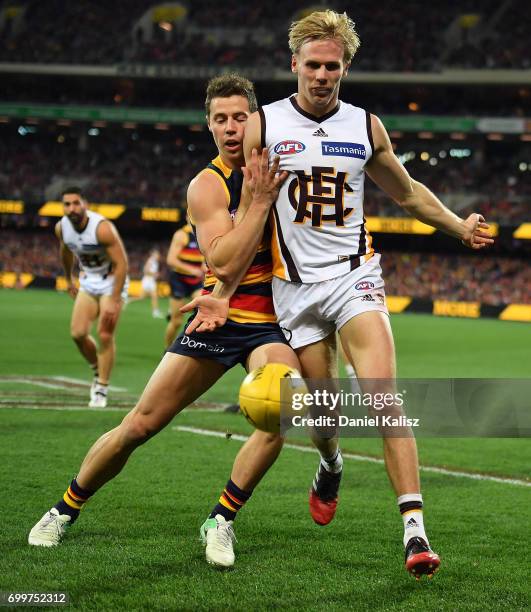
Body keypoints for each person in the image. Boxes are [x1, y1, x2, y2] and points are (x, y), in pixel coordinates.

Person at [186, 10, 494, 579]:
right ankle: (329, 463)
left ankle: (415, 532)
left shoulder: (365, 127)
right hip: (293, 289)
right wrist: (219, 288)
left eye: (333, 65)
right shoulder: (265, 125)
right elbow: (252, 213)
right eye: (313, 64)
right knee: (324, 415)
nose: (322, 74)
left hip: (355, 276)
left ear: (345, 67)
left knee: (383, 398)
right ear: (294, 64)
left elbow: (407, 193)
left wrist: (457, 225)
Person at [28, 75, 299, 570]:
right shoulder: (207, 185)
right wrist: (259, 201)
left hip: (274, 322)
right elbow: (223, 263)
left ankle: (222, 519)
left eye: (241, 116)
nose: (232, 127)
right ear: (209, 125)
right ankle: (64, 507)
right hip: (219, 316)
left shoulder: (291, 166)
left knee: (279, 407)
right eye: (221, 118)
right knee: (140, 425)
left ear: (257, 120)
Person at [55, 187, 129, 408]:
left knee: (105, 334)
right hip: (89, 281)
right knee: (77, 333)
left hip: (111, 281)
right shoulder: (62, 228)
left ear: (85, 204)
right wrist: (68, 279)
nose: (72, 208)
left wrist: (115, 300)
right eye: (67, 204)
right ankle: (98, 369)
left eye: (76, 203)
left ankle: (101, 388)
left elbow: (122, 263)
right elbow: (66, 251)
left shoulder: (102, 228)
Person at [164, 224, 204, 347]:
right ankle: (167, 349)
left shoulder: (203, 232)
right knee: (176, 322)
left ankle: (194, 347)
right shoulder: (181, 235)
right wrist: (192, 270)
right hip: (179, 280)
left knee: (203, 310)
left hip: (196, 281)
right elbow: (171, 260)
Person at [137, 248, 163, 318]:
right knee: (141, 298)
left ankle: (155, 312)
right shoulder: (150, 260)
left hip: (151, 281)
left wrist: (155, 275)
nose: (158, 255)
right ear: (153, 254)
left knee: (154, 296)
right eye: (157, 254)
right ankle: (127, 300)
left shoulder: (155, 262)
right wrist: (154, 274)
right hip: (148, 280)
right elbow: (145, 270)